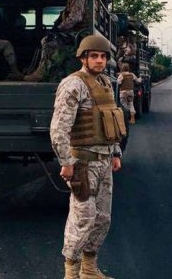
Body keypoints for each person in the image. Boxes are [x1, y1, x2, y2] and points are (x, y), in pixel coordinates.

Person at [51, 35, 125, 279]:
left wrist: (115, 153)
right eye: (94, 56)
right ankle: (71, 273)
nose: (100, 60)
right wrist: (66, 162)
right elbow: (59, 128)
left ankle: (89, 270)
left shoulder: (104, 82)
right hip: (83, 162)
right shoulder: (73, 84)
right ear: (83, 57)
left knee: (102, 219)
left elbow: (112, 121)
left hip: (104, 161)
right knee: (82, 219)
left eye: (103, 56)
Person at [24, 0, 88, 82]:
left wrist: (58, 29)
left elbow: (75, 18)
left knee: (47, 41)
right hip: (78, 32)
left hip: (80, 34)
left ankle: (41, 73)